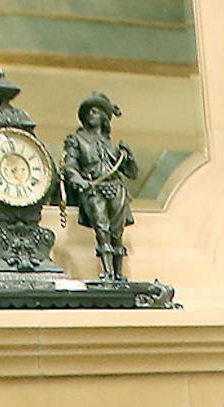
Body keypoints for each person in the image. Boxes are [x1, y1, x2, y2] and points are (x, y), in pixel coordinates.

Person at [62, 91, 138, 280]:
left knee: (117, 232)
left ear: (104, 116)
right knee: (102, 228)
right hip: (94, 188)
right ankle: (107, 272)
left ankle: (119, 275)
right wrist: (79, 180)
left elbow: (132, 173)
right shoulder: (76, 140)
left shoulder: (113, 145)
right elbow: (70, 166)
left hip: (116, 188)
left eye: (95, 111)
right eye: (88, 112)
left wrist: (129, 157)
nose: (90, 115)